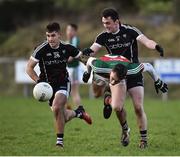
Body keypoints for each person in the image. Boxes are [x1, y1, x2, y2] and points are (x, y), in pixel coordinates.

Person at [82, 8, 165, 148]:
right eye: (103, 23)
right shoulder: (103, 36)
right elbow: (92, 50)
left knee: (138, 107)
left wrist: (156, 46)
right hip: (117, 74)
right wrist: (86, 52)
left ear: (117, 21)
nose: (105, 26)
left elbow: (146, 41)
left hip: (133, 71)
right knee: (117, 107)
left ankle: (143, 140)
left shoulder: (130, 31)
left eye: (108, 23)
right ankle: (125, 129)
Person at [26, 22, 92, 148]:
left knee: (57, 107)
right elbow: (29, 67)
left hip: (63, 82)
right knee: (63, 116)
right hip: (47, 87)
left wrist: (90, 66)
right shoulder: (41, 49)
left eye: (53, 35)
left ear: (59, 35)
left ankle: (59, 143)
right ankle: (78, 113)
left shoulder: (67, 47)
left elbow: (83, 58)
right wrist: (38, 81)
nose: (50, 39)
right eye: (48, 36)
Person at [66, 23, 82, 109]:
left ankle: (80, 110)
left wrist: (63, 60)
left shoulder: (75, 40)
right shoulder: (68, 41)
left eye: (71, 30)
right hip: (69, 69)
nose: (68, 32)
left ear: (75, 31)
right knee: (69, 91)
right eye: (67, 30)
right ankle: (68, 108)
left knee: (74, 92)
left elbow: (71, 57)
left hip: (73, 69)